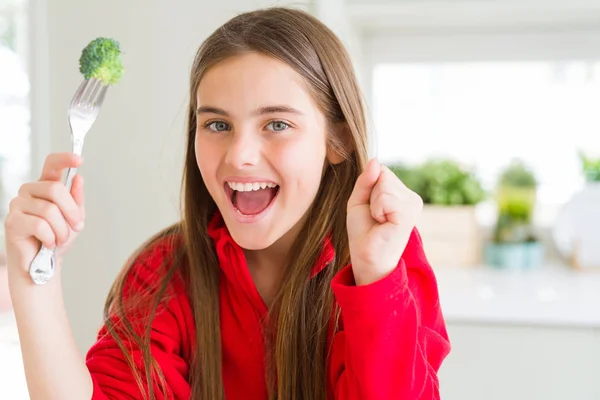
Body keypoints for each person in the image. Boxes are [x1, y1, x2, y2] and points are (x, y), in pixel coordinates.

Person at [3, 7, 450, 400]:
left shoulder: (390, 265)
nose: (239, 155)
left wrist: (375, 281)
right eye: (217, 124)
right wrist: (34, 283)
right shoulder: (165, 273)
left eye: (276, 123)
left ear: (338, 141)